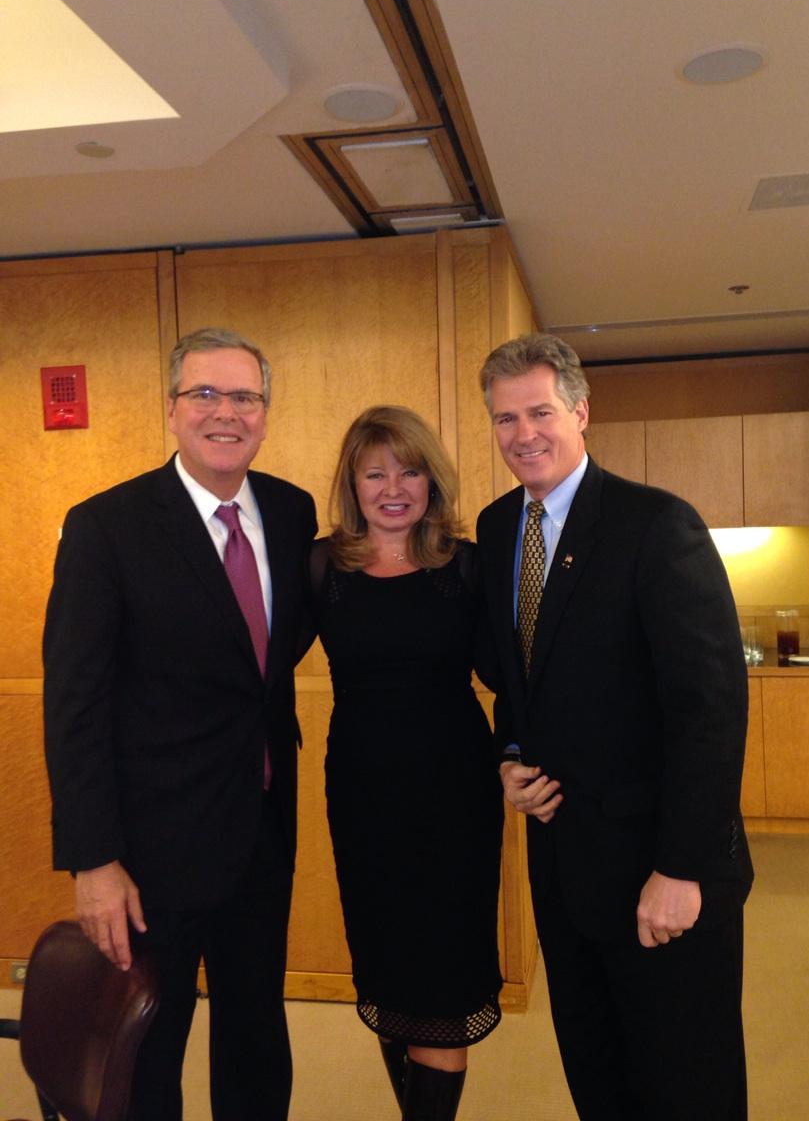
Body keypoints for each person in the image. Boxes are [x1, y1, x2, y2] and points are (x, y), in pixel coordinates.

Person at [476, 333, 753, 1121]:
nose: (523, 433)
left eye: (540, 412)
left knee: (686, 1088)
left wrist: (681, 868)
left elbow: (710, 709)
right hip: (565, 870)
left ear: (580, 412)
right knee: (598, 1078)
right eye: (505, 418)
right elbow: (517, 679)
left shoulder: (656, 525)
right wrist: (510, 756)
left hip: (660, 874)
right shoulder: (498, 530)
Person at [43, 327, 317, 1121]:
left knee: (256, 1038)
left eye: (244, 397)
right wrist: (93, 859)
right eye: (205, 394)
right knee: (148, 1052)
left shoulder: (292, 512)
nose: (225, 412)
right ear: (171, 408)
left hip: (261, 832)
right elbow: (75, 704)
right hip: (149, 853)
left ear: (265, 413)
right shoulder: (106, 527)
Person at [310, 405, 503, 1121]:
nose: (393, 488)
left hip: (455, 798)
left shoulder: (467, 566)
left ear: (433, 481)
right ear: (352, 484)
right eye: (375, 474)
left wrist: (525, 752)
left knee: (444, 986)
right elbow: (254, 664)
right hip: (363, 797)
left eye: (410, 471)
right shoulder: (321, 566)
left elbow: (514, 676)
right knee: (390, 975)